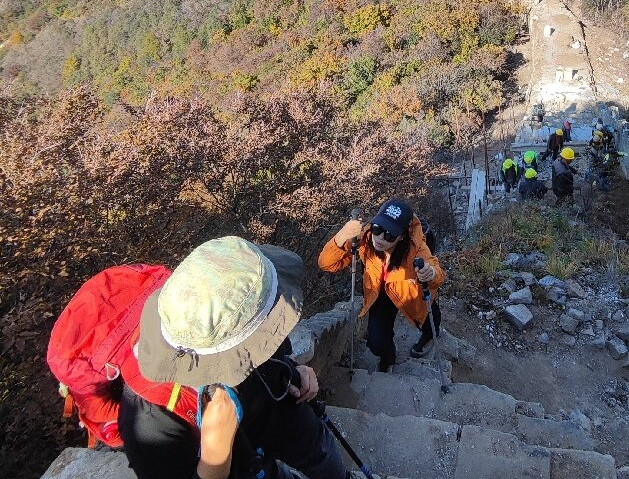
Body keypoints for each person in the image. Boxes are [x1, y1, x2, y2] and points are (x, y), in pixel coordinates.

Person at [123, 236, 348, 479]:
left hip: (278, 397)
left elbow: (268, 350)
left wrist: (294, 369)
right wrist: (214, 461)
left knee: (318, 449)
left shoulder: (241, 311)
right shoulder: (148, 419)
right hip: (240, 456)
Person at [319, 199, 444, 371]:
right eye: (377, 228)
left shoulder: (417, 248)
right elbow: (327, 264)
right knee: (376, 342)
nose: (380, 238)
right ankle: (388, 356)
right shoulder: (364, 239)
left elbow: (438, 276)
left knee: (429, 319)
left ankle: (430, 335)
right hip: (379, 292)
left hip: (411, 292)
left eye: (389, 235)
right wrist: (341, 236)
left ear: (401, 236)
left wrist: (431, 273)